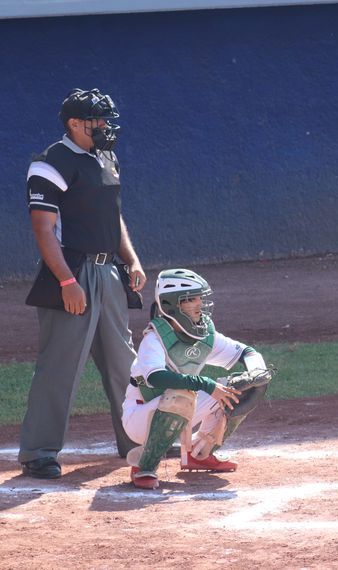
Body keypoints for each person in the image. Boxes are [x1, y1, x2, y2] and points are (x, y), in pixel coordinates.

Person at [20, 88, 146, 479]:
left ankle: (138, 440)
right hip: (72, 273)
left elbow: (114, 217)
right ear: (75, 124)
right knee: (60, 365)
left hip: (109, 273)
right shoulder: (49, 164)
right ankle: (39, 451)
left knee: (124, 362)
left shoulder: (106, 157)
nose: (107, 126)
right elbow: (43, 230)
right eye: (98, 120)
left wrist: (132, 259)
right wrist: (67, 281)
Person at [123, 268, 272, 490]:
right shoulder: (154, 339)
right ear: (172, 304)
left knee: (239, 388)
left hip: (177, 406)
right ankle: (144, 465)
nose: (199, 304)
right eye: (191, 299)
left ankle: (199, 453)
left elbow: (246, 352)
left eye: (200, 298)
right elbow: (157, 378)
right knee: (183, 394)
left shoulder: (201, 334)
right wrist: (205, 384)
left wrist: (257, 371)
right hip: (140, 416)